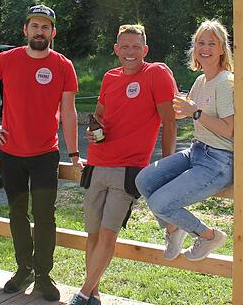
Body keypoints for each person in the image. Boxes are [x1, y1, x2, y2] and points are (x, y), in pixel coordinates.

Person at [0, 4, 79, 302]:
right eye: (35, 26)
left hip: (45, 155)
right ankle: (23, 270)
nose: (39, 31)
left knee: (45, 216)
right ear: (25, 30)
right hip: (11, 154)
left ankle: (44, 276)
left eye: (45, 27)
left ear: (52, 32)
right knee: (17, 213)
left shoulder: (63, 65)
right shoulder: (7, 60)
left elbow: (69, 114)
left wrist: (75, 154)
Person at [69, 25, 177, 305]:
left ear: (145, 50)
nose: (130, 52)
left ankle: (82, 294)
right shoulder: (109, 77)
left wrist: (166, 165)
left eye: (136, 47)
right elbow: (101, 117)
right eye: (125, 47)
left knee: (108, 233)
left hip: (128, 169)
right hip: (96, 164)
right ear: (116, 49)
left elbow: (170, 122)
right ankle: (93, 293)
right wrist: (95, 131)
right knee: (92, 234)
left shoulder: (156, 73)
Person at [135, 19, 233, 263]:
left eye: (212, 43)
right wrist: (171, 107)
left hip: (219, 161)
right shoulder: (201, 80)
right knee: (144, 179)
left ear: (222, 48)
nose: (205, 47)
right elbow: (185, 110)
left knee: (160, 202)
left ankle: (209, 236)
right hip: (196, 151)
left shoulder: (226, 82)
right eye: (200, 42)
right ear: (194, 48)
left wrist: (195, 112)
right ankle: (173, 230)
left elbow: (229, 130)